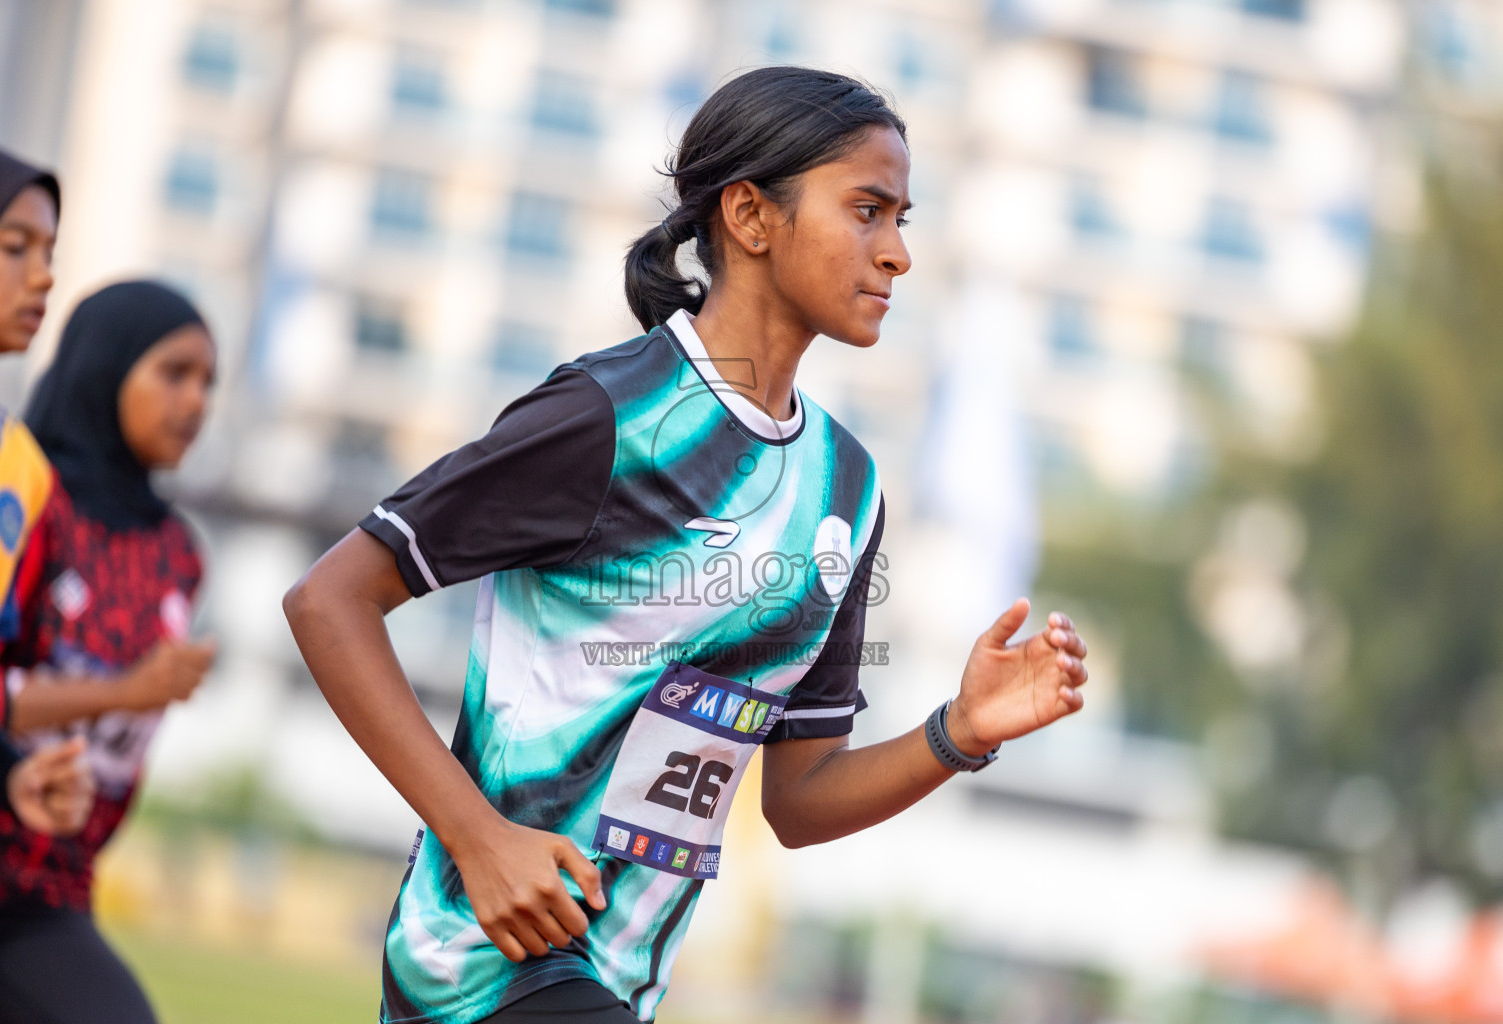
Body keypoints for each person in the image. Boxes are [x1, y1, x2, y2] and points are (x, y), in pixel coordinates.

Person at [285, 66, 1090, 1024]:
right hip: (487, 967)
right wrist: (479, 839)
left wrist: (957, 732)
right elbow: (329, 600)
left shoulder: (850, 488)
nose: (899, 254)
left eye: (903, 218)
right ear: (750, 217)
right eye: (868, 210)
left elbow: (798, 800)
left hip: (623, 985)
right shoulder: (606, 417)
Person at [0, 280, 217, 1024]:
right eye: (174, 373)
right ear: (104, 367)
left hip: (39, 890)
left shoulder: (180, 554)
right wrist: (122, 691)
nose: (197, 402)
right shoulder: (22, 499)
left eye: (209, 382)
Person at [0, 142, 93, 841]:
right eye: (16, 247)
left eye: (50, 251)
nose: (44, 276)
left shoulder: (20, 469)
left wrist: (8, 772)